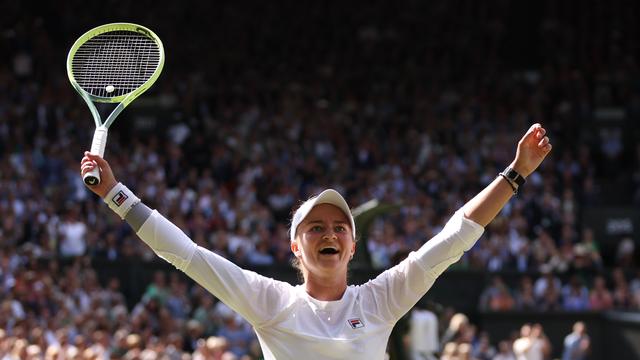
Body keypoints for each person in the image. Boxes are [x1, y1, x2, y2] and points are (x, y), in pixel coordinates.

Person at [80, 124, 552, 359]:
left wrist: (514, 175)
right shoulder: (269, 301)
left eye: (339, 227)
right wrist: (116, 195)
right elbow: (185, 255)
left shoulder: (383, 299)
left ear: (352, 246)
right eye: (315, 227)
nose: (329, 233)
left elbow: (455, 238)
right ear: (295, 248)